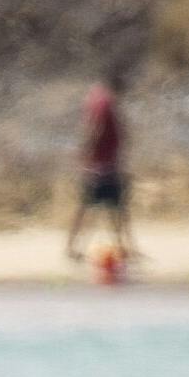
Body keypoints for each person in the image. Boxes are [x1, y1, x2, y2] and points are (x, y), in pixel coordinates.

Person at [66, 70, 134, 262]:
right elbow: (95, 130)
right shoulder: (105, 103)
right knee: (113, 207)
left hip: (101, 164)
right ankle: (123, 247)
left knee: (97, 207)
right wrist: (87, 153)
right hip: (103, 166)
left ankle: (74, 246)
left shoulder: (96, 99)